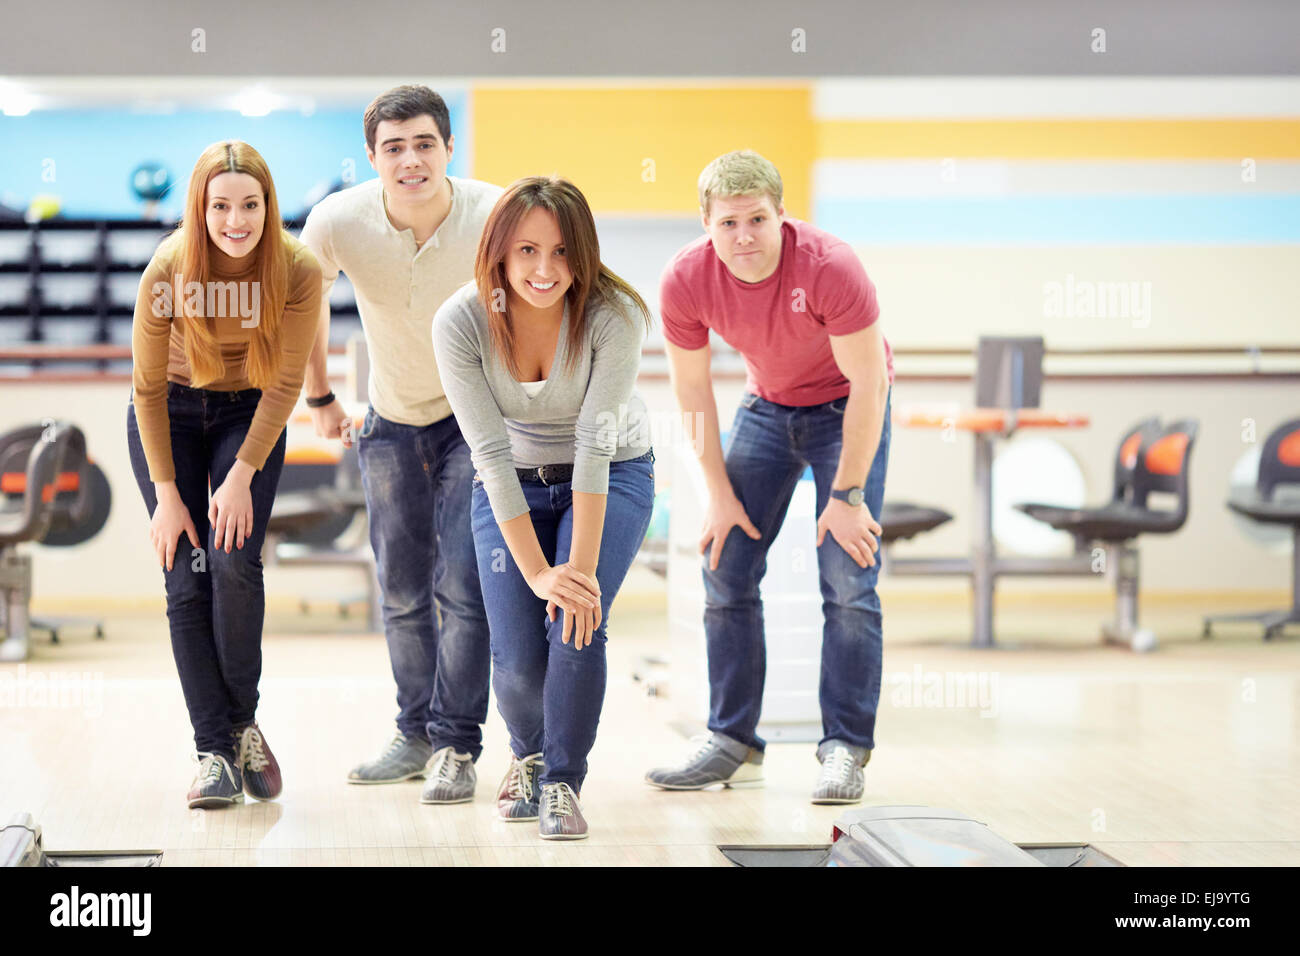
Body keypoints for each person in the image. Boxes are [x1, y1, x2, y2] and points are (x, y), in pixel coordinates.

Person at [644, 149, 894, 804]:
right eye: (727, 223)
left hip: (846, 408)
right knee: (724, 564)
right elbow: (692, 392)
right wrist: (717, 495)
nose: (744, 237)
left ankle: (844, 749)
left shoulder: (830, 267)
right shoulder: (685, 281)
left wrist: (847, 496)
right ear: (706, 224)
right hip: (768, 408)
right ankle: (732, 741)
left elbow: (872, 381)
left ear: (782, 215)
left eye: (757, 219)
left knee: (847, 578)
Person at [433, 176, 655, 840]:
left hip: (612, 474)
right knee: (519, 653)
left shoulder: (614, 316)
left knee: (576, 625)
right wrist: (536, 574)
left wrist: (574, 578)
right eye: (527, 251)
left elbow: (595, 443)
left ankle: (562, 781)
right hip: (512, 481)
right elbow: (489, 454)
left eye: (561, 253)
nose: (545, 270)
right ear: (498, 251)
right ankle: (527, 756)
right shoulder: (462, 320)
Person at [298, 85, 502, 803]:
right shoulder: (338, 220)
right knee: (405, 591)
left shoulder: (494, 212)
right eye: (394, 148)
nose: (410, 160)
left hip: (475, 424)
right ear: (372, 157)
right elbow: (303, 306)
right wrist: (320, 396)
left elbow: (544, 294)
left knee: (463, 587)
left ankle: (456, 744)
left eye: (424, 144)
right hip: (388, 421)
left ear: (449, 147)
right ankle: (414, 731)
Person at [127, 141, 322, 809]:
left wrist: (241, 473)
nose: (236, 220)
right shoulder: (167, 270)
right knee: (186, 577)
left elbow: (288, 380)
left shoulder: (297, 270)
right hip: (171, 413)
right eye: (220, 206)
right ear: (199, 208)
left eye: (250, 204)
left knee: (234, 560)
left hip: (251, 410)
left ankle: (242, 723)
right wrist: (166, 494)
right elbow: (147, 389)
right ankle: (213, 749)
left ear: (268, 205)